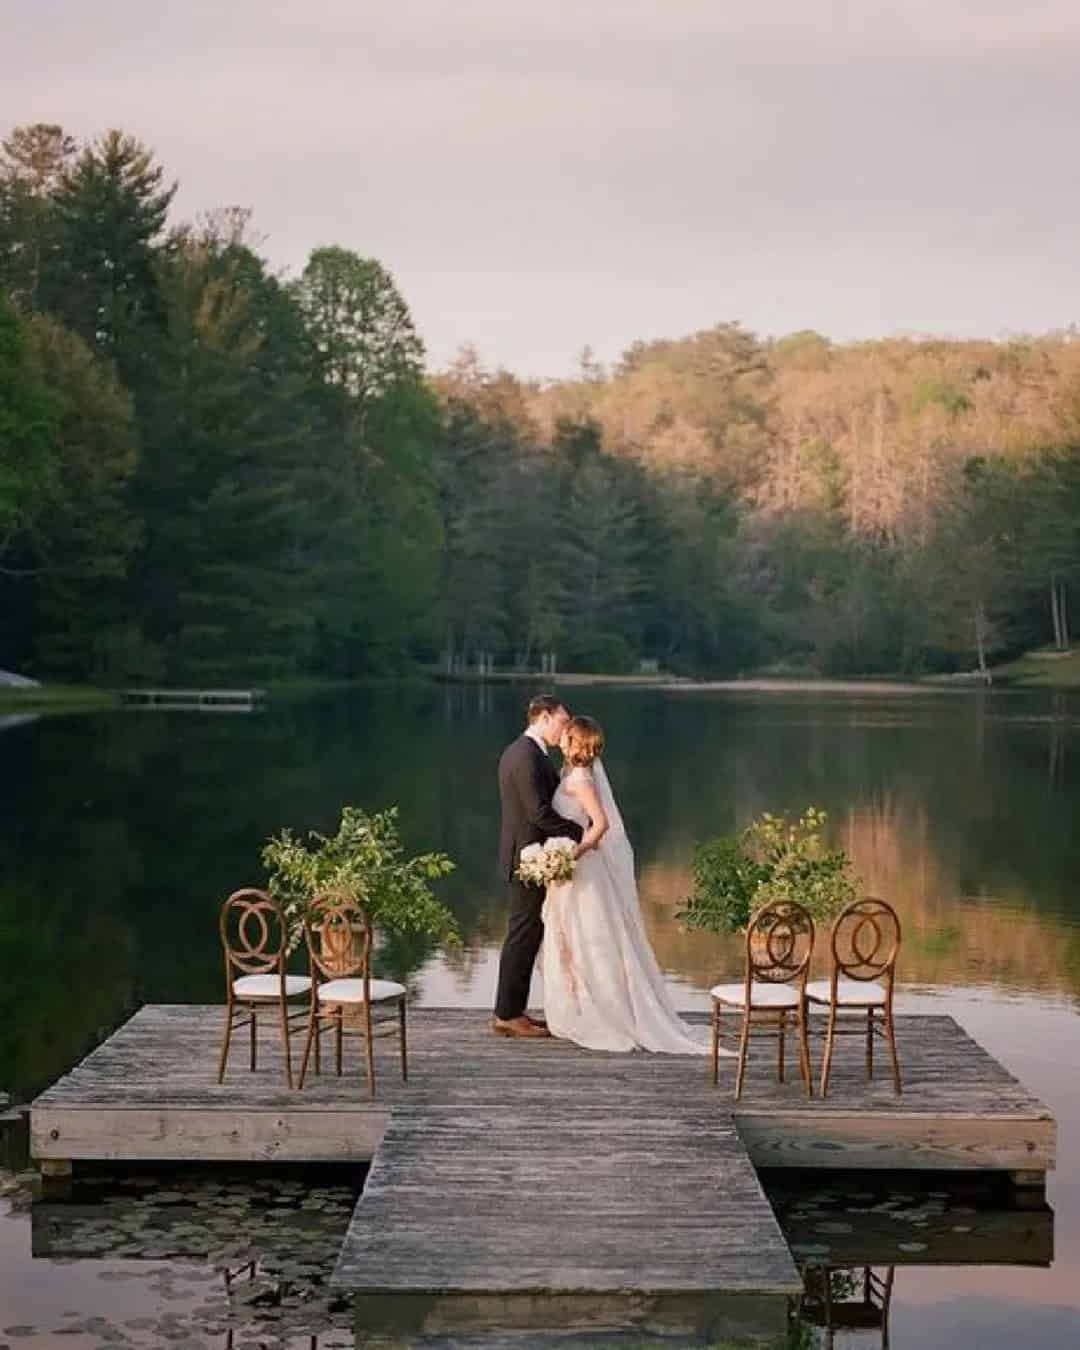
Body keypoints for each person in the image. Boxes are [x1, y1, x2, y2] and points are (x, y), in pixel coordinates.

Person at [541, 714, 727, 1055]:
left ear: (576, 743)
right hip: (571, 873)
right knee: (572, 939)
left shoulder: (581, 779)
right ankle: (578, 1005)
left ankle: (602, 1009)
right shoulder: (570, 774)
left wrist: (571, 856)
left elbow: (600, 826)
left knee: (590, 939)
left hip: (582, 871)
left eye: (568, 737)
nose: (562, 741)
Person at [492, 694, 584, 1039]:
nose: (564, 728)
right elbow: (538, 813)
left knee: (528, 934)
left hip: (531, 857)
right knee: (522, 934)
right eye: (562, 720)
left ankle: (512, 1008)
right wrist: (580, 833)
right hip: (526, 860)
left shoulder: (529, 753)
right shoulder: (525, 756)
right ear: (544, 717)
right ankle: (507, 1014)